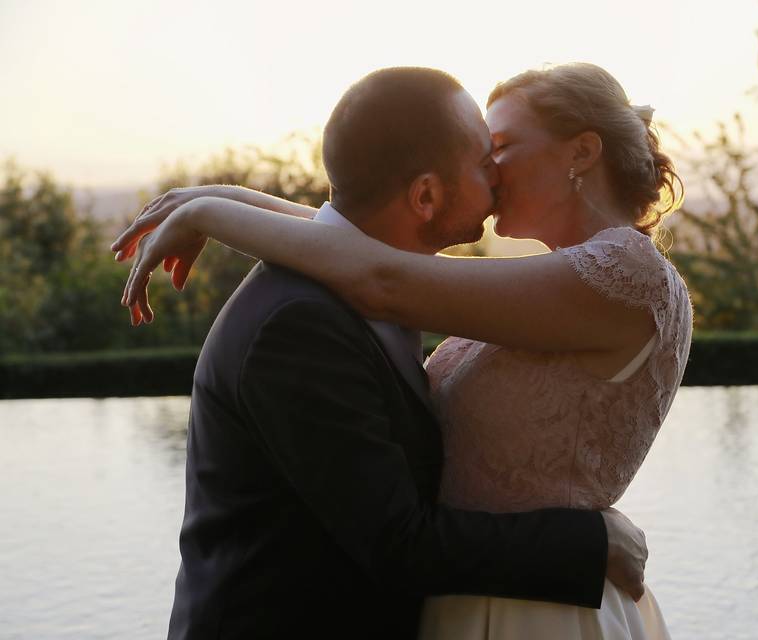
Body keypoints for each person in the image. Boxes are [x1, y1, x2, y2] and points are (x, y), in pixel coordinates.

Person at [115, 63, 691, 638]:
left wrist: (212, 211)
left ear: (582, 152)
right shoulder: (307, 319)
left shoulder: (622, 274)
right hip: (503, 587)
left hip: (537, 610)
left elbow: (382, 272)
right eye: (484, 153)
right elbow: (377, 261)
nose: (493, 171)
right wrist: (216, 203)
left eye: (504, 146)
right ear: (426, 194)